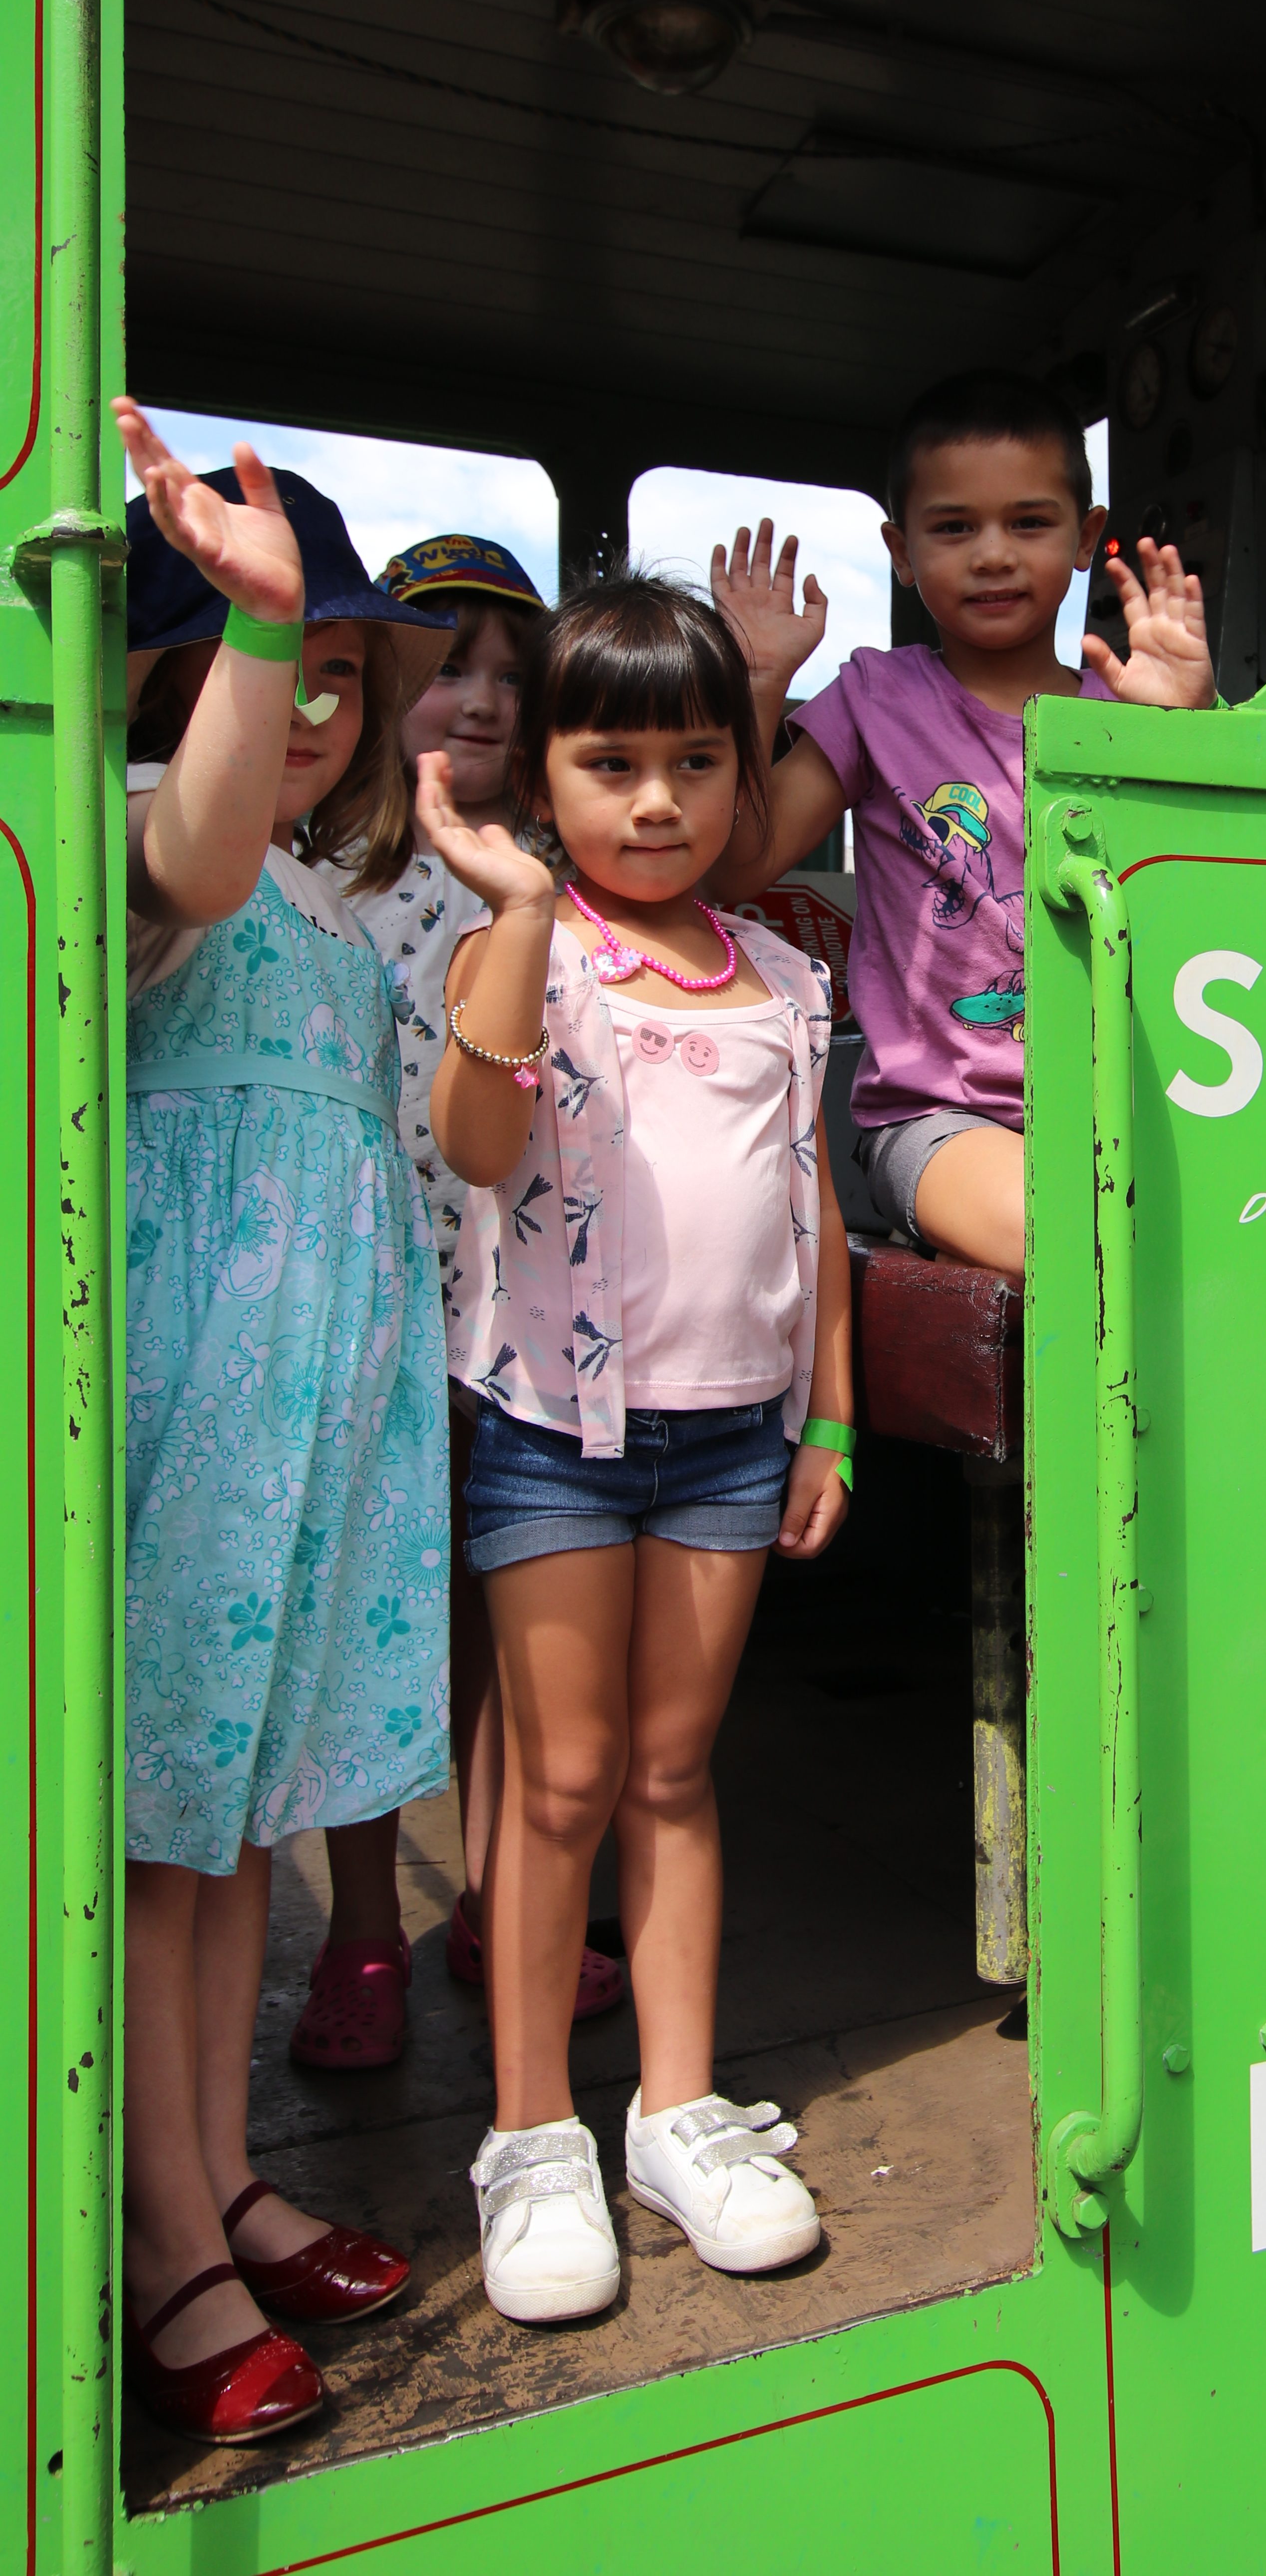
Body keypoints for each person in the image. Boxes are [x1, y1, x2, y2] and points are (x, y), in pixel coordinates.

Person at [416, 575, 854, 2324]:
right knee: (564, 1783)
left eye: (696, 762)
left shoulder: (780, 979)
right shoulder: (526, 944)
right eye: (611, 763)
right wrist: (519, 905)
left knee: (676, 1774)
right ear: (548, 782)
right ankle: (534, 2138)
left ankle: (677, 2112)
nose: (658, 800)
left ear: (745, 783)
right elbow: (474, 1140)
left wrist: (831, 1413)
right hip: (554, 1436)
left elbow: (814, 1211)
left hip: (731, 1442)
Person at [117, 406, 455, 2446]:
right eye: (266, 658)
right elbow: (197, 846)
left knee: (235, 1821)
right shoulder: (162, 825)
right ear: (172, 667)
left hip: (316, 1404)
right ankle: (165, 2241)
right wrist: (251, 652)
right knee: (162, 1831)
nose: (311, 702)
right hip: (192, 1397)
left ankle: (228, 2169)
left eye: (339, 668)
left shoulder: (346, 907)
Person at [288, 537, 625, 2069]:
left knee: (505, 1634)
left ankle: (504, 1906)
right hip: (371, 1306)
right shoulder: (324, 875)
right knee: (376, 1633)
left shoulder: (567, 878)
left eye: (512, 674)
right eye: (445, 672)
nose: (479, 701)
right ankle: (362, 1927)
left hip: (530, 1315)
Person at [708, 368, 1215, 1282]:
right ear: (901, 550)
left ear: (1084, 537)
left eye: (1028, 523)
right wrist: (757, 685)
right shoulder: (876, 698)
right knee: (1073, 1235)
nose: (992, 554)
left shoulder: (1132, 706)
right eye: (954, 528)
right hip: (939, 1117)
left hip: (1139, 1105)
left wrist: (1188, 733)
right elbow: (739, 866)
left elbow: (1222, 903)